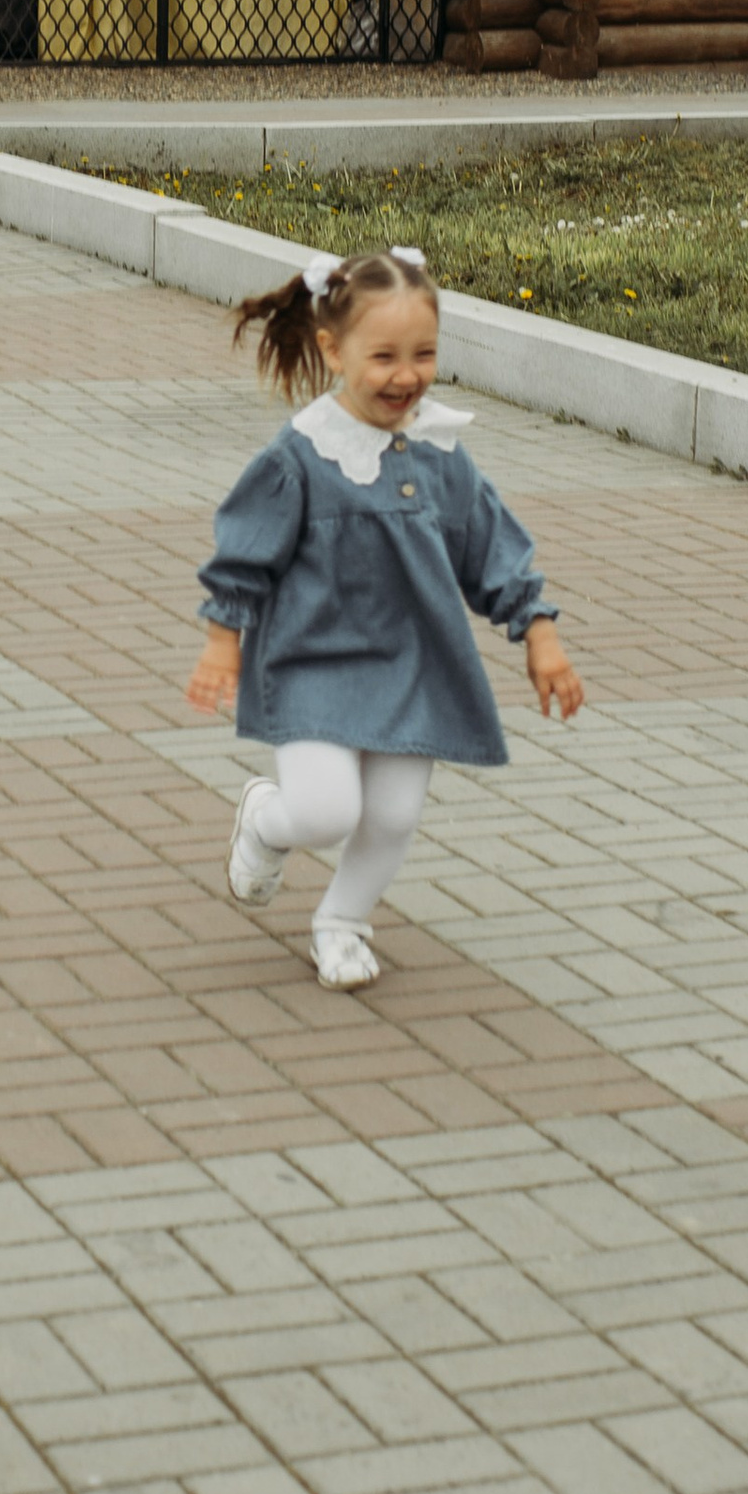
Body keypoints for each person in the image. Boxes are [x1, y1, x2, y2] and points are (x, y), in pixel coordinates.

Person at [186, 245, 583, 989]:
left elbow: (491, 546)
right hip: (311, 663)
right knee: (325, 811)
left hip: (412, 664)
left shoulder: (439, 452)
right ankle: (269, 818)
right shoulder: (301, 456)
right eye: (384, 357)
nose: (407, 376)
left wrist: (540, 633)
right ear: (334, 350)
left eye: (424, 354)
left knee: (394, 814)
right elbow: (245, 552)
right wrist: (222, 639)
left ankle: (342, 923)